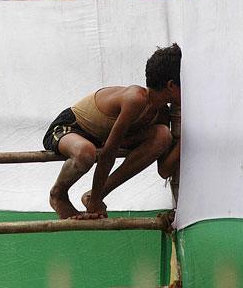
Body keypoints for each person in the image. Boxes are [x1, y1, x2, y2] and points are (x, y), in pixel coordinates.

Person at [43, 44, 181, 219]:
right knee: (86, 152)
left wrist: (186, 138)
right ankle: (58, 194)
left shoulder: (161, 113)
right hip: (70, 128)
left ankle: (93, 193)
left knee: (163, 135)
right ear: (171, 85)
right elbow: (109, 152)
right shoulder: (136, 98)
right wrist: (95, 202)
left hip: (98, 140)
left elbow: (164, 170)